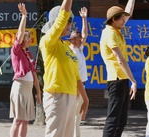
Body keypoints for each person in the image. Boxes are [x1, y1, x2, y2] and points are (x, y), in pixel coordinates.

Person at [40, 0, 89, 136]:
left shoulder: (67, 47)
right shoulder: (48, 41)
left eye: (70, 22)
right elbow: (61, 19)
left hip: (71, 96)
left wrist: (85, 99)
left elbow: (76, 75)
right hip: (56, 96)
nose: (69, 25)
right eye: (67, 21)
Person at [99, 0, 137, 136]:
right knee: (113, 119)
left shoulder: (116, 29)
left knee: (122, 120)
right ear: (113, 19)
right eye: (121, 18)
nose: (124, 20)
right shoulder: (109, 33)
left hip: (122, 79)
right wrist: (133, 81)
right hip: (116, 80)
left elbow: (128, 13)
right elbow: (120, 60)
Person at [9, 3, 41, 137]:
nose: (30, 40)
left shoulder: (29, 54)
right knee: (18, 120)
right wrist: (24, 16)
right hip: (20, 88)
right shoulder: (16, 51)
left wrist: (38, 92)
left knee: (25, 121)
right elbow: (21, 32)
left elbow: (34, 74)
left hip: (28, 89)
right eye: (28, 38)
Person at [66, 7, 88, 137]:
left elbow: (85, 34)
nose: (76, 40)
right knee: (74, 117)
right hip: (74, 86)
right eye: (73, 38)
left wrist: (84, 19)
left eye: (77, 38)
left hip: (81, 85)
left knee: (78, 117)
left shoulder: (79, 48)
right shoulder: (69, 50)